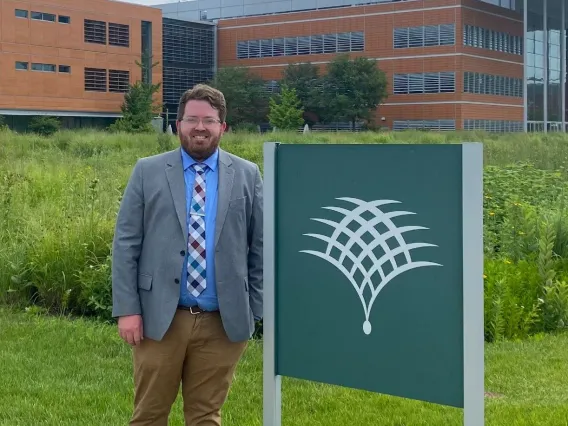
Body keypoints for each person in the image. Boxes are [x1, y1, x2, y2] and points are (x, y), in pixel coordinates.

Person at [111, 84, 263, 426]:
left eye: (208, 120)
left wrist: (253, 308)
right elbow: (126, 243)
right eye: (192, 119)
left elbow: (261, 246)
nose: (199, 127)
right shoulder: (147, 171)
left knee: (206, 417)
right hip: (158, 320)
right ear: (177, 123)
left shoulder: (247, 174)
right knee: (149, 416)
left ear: (223, 126)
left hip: (221, 323)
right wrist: (128, 309)